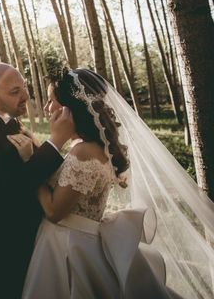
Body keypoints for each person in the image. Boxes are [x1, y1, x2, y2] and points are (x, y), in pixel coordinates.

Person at [22, 68, 214, 298]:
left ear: (69, 108)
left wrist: (30, 167)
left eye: (51, 101)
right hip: (81, 241)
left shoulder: (83, 151)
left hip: (67, 249)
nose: (46, 108)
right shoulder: (93, 147)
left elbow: (54, 211)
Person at [0, 62, 75, 298]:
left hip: (23, 242)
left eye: (24, 88)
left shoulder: (11, 122)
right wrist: (55, 143)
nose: (25, 96)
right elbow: (6, 188)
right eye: (14, 91)